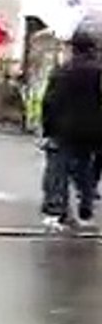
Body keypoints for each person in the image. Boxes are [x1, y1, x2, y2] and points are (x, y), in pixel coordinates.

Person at [39, 24, 102, 231]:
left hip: (64, 129)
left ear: (74, 48)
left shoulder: (62, 71)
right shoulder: (98, 71)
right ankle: (85, 204)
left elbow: (50, 101)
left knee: (59, 170)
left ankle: (58, 209)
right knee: (84, 168)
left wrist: (47, 128)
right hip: (93, 131)